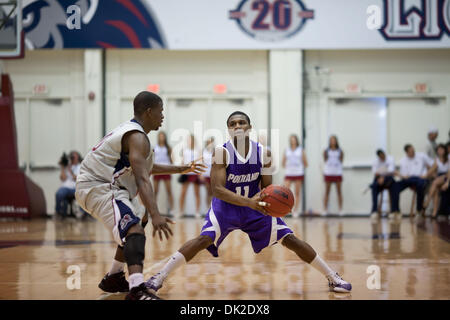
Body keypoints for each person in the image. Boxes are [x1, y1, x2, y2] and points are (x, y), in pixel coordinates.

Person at [145, 111, 352, 295]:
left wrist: (271, 203)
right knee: (203, 240)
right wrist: (248, 202)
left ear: (249, 127)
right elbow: (216, 189)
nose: (237, 126)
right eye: (233, 124)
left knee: (290, 239)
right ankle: (159, 277)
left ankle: (332, 276)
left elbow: (267, 189)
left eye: (241, 122)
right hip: (226, 207)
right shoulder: (222, 153)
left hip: (255, 209)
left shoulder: (265, 154)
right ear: (228, 130)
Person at [75, 91, 206, 300]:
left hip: (108, 187)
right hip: (99, 187)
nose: (162, 116)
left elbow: (147, 168)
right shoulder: (137, 137)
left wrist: (181, 169)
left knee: (140, 217)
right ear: (148, 111)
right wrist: (156, 215)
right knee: (134, 228)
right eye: (160, 111)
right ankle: (137, 289)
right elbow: (142, 178)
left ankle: (114, 276)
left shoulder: (134, 134)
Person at [396, 144, 433, 217]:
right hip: (409, 179)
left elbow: (433, 164)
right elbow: (404, 175)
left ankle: (419, 210)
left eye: (413, 150)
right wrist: (402, 176)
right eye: (410, 151)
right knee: (395, 187)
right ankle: (395, 211)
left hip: (421, 178)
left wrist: (428, 173)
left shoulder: (422, 156)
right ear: (406, 152)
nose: (413, 152)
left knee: (420, 185)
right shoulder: (403, 160)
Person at [369, 149, 400, 220]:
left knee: (395, 188)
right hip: (379, 179)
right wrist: (380, 177)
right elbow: (374, 172)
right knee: (374, 186)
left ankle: (394, 210)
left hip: (389, 179)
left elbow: (391, 170)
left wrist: (383, 175)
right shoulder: (375, 161)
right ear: (378, 157)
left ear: (384, 154)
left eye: (383, 155)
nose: (382, 157)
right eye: (380, 156)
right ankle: (374, 211)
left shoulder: (390, 158)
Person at [282, 134, 308, 216]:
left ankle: (295, 211)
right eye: (291, 139)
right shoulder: (287, 150)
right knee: (285, 191)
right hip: (289, 173)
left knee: (297, 193)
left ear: (297, 140)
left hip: (298, 173)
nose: (293, 141)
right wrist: (289, 166)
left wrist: (298, 166)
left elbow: (306, 163)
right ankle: (284, 210)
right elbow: (283, 163)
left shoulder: (301, 150)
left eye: (294, 139)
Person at [423, 144, 450, 218]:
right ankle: (434, 213)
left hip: (446, 177)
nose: (439, 151)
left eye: (441, 149)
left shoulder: (448, 158)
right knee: (436, 190)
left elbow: (449, 172)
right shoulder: (437, 159)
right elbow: (431, 171)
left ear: (445, 150)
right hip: (440, 178)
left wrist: (447, 183)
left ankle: (427, 202)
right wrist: (423, 176)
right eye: (438, 150)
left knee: (435, 182)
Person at [179, 134, 202, 218]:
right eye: (188, 140)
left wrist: (200, 174)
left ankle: (197, 212)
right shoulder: (184, 150)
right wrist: (182, 171)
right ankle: (181, 211)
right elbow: (182, 162)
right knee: (183, 193)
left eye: (191, 140)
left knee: (197, 193)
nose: (190, 141)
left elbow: (200, 162)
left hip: (195, 173)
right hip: (186, 173)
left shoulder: (198, 150)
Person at [55, 151, 82, 219]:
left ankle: (83, 213)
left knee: (83, 194)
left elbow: (77, 178)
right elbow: (63, 178)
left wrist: (70, 170)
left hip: (75, 187)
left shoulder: (80, 166)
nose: (72, 158)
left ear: (78, 157)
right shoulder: (66, 166)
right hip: (65, 187)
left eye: (74, 156)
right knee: (59, 194)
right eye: (71, 157)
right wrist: (62, 168)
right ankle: (58, 213)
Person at [153, 131, 174, 217]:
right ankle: (153, 210)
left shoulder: (168, 148)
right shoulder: (155, 148)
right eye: (160, 136)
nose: (162, 138)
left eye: (163, 136)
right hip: (157, 170)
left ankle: (172, 210)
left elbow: (172, 160)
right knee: (155, 191)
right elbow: (152, 159)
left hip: (166, 170)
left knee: (169, 191)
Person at [323, 135, 344, 215]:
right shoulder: (326, 151)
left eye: (334, 140)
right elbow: (325, 160)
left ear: (336, 141)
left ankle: (340, 210)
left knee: (339, 192)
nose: (332, 141)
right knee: (327, 192)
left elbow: (341, 160)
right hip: (328, 173)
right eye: (331, 140)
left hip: (337, 173)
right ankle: (325, 210)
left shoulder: (340, 151)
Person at [200, 137, 215, 209]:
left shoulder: (215, 151)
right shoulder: (203, 151)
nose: (210, 144)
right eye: (209, 142)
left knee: (213, 192)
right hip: (206, 174)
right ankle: (207, 208)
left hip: (213, 174)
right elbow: (202, 163)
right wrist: (201, 174)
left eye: (211, 142)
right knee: (208, 192)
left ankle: (212, 208)